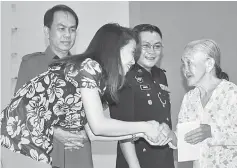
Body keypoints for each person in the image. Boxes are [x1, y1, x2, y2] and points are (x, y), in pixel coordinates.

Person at [1, 23, 164, 168]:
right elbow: (99, 125)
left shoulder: (96, 77)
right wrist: (145, 126)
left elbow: (93, 134)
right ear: (115, 49)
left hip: (28, 142)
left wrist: (141, 133)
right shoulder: (90, 67)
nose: (133, 61)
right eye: (132, 52)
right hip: (19, 139)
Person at [13, 4, 92, 168]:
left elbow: (94, 111)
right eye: (61, 29)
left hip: (78, 155)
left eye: (72, 29)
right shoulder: (31, 64)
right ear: (46, 31)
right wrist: (54, 132)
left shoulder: (84, 68)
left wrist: (89, 130)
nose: (67, 35)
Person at [109, 24, 175, 168]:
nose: (152, 51)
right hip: (137, 160)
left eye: (157, 46)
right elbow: (122, 129)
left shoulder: (160, 75)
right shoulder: (125, 75)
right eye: (146, 46)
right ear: (135, 47)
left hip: (163, 159)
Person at [167, 39, 237, 168]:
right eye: (183, 64)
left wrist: (211, 132)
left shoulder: (231, 93)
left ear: (209, 64)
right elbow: (185, 139)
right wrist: (169, 135)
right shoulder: (189, 98)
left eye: (189, 63)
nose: (185, 69)